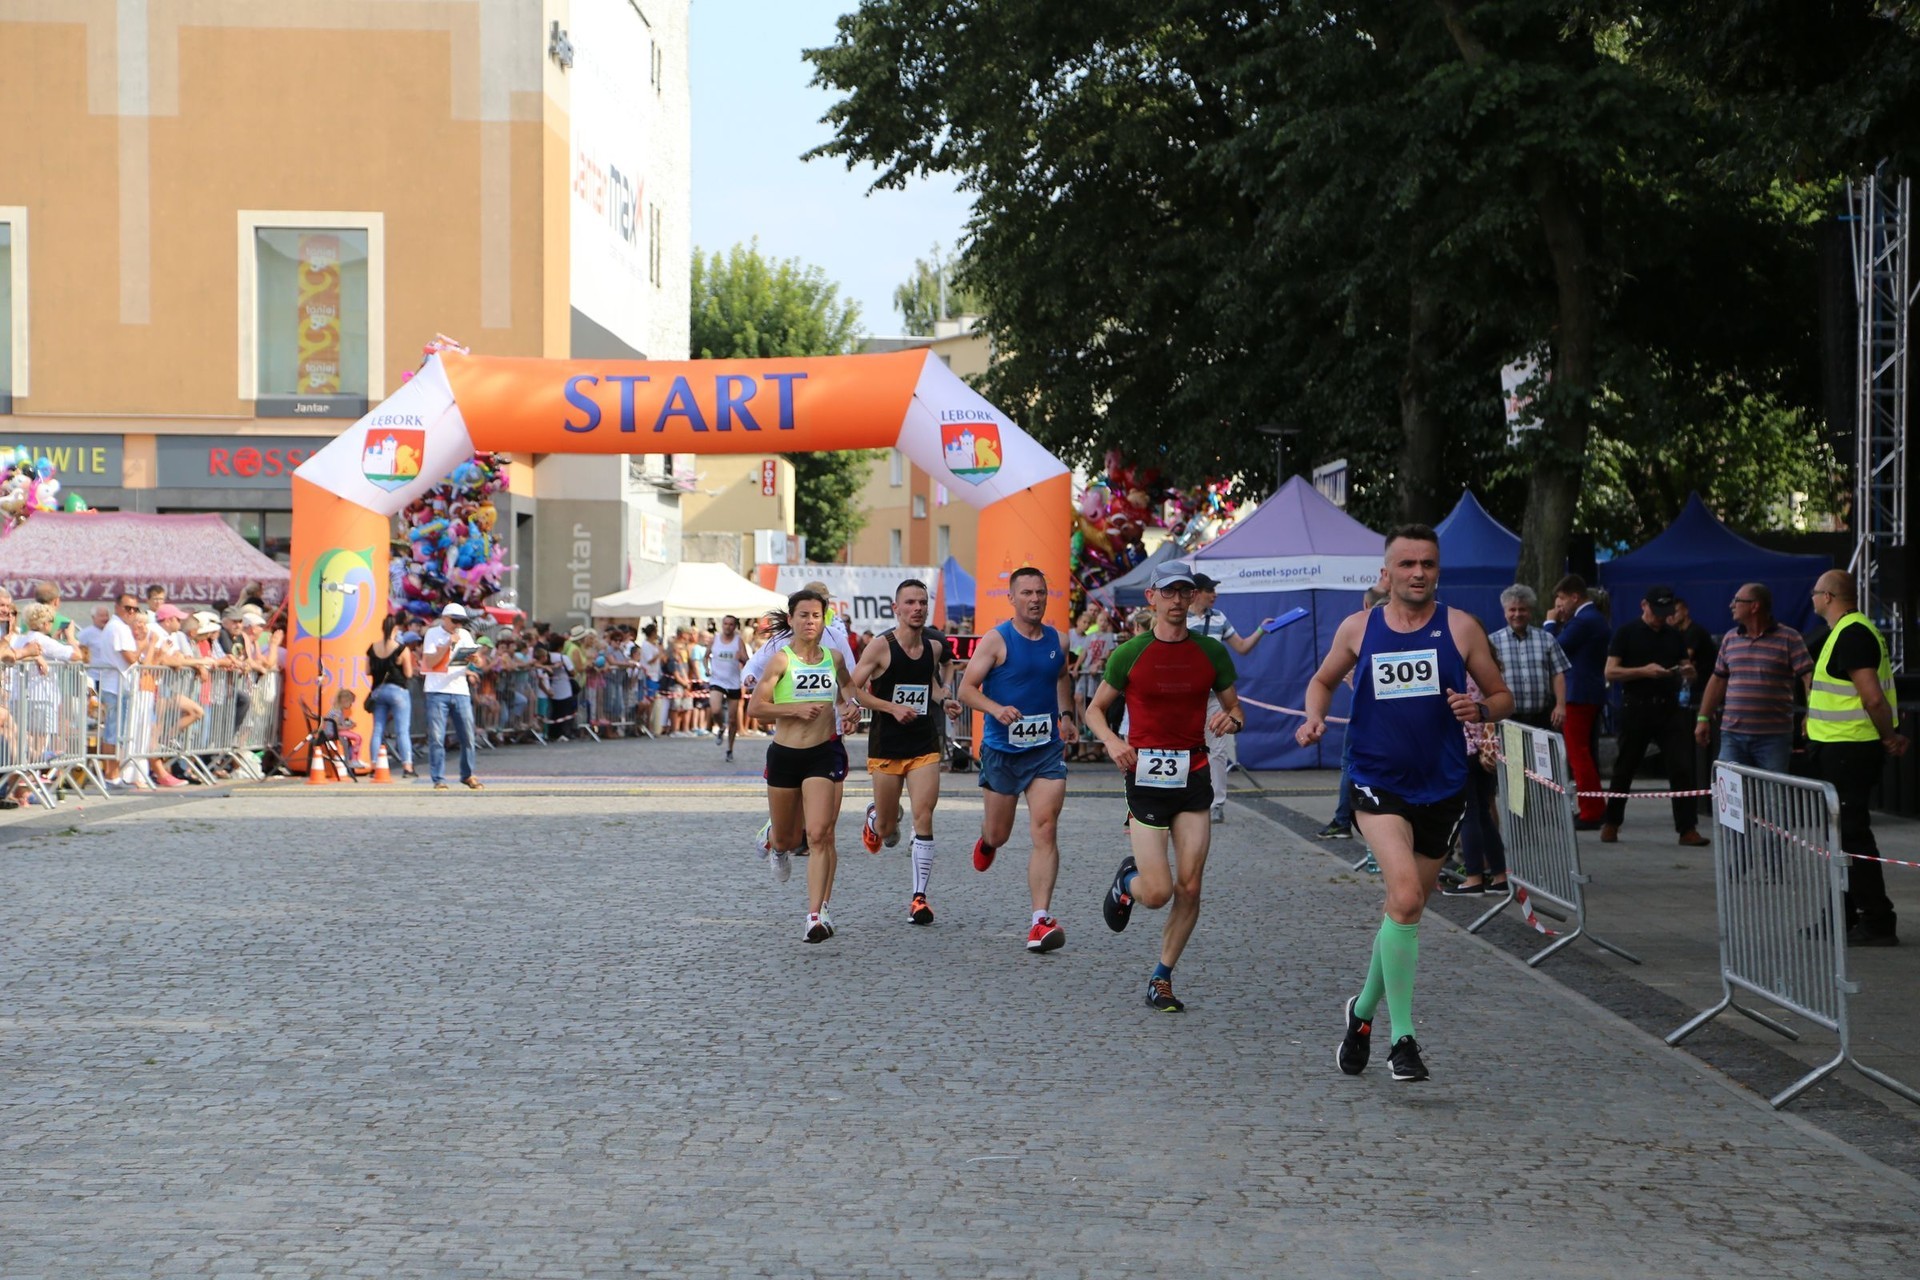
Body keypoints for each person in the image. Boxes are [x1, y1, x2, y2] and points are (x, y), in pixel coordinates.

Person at [1296, 524, 1512, 1083]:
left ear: (1438, 571)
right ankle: (1403, 1040)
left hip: (1442, 785)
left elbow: (1502, 696)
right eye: (1408, 564)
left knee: (1405, 909)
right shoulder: (1359, 627)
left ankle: (1361, 1014)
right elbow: (1321, 681)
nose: (1419, 573)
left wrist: (1480, 710)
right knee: (1409, 895)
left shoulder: (1461, 627)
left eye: (1428, 564)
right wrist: (1314, 717)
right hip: (1377, 781)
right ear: (1386, 573)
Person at [1089, 561, 1244, 1012]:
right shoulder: (1130, 653)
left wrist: (1231, 720)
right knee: (1157, 893)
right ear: (1152, 598)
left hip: (1194, 774)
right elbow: (1094, 710)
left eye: (1184, 592)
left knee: (1190, 887)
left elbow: (1236, 710)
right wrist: (1112, 741)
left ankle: (1162, 977)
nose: (1177, 600)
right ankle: (1127, 880)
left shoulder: (1211, 652)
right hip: (1145, 778)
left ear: (1193, 598)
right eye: (1169, 592)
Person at [958, 566, 1080, 953]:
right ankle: (987, 841)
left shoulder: (1058, 641)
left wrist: (1066, 716)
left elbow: (1061, 677)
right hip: (1003, 753)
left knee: (1045, 828)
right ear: (1011, 598)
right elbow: (966, 689)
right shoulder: (996, 640)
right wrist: (996, 709)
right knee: (1000, 834)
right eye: (1026, 592)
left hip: (1045, 751)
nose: (1035, 599)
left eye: (1040, 592)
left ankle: (1039, 921)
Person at [746, 589, 860, 942]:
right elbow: (755, 708)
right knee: (788, 836)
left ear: (824, 620)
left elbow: (849, 689)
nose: (810, 621)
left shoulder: (834, 658)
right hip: (785, 755)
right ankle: (775, 842)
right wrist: (793, 709)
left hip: (822, 754)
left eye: (816, 616)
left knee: (820, 834)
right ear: (791, 619)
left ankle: (815, 915)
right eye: (804, 615)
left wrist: (851, 707)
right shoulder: (781, 661)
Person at [1806, 571, 1906, 946]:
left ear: (1829, 596)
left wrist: (1889, 737)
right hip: (1841, 747)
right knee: (1841, 837)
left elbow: (1872, 697)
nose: (1812, 598)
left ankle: (1877, 919)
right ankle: (1843, 916)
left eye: (1815, 592)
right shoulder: (1846, 632)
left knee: (1851, 836)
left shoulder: (1853, 633)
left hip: (1849, 749)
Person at [851, 578, 959, 925]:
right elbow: (853, 689)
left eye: (922, 603)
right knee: (887, 829)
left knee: (923, 815)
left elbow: (930, 682)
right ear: (895, 609)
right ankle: (875, 817)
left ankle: (919, 899)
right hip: (887, 744)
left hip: (923, 744)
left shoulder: (934, 646)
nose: (917, 608)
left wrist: (945, 699)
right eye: (910, 603)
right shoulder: (880, 647)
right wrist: (891, 707)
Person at [1601, 585, 1706, 846]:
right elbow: (1611, 672)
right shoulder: (1627, 633)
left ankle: (1687, 828)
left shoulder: (1674, 635)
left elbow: (1685, 664)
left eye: (1665, 613)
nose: (1661, 618)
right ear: (1644, 605)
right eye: (1657, 612)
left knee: (1681, 767)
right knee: (1625, 766)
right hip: (1637, 706)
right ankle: (1612, 821)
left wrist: (1688, 671)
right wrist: (1644, 671)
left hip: (1669, 708)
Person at [1692, 584, 1812, 776]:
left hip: (1773, 738)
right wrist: (1703, 717)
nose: (1731, 605)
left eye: (1737, 601)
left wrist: (1811, 713)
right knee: (1730, 792)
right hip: (1732, 735)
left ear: (1754, 606)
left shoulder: (1789, 638)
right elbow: (1718, 680)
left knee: (1773, 793)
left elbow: (1809, 677)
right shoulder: (1730, 638)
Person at [1186, 573, 1272, 823]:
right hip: (1185, 696)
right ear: (1196, 593)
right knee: (1184, 747)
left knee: (1217, 750)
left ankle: (1216, 804)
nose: (1215, 594)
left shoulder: (1219, 618)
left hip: (1214, 695)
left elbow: (1242, 647)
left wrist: (1261, 630)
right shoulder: (1181, 618)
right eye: (1210, 590)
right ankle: (1185, 798)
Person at [1317, 575, 1389, 841]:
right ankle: (1348, 819)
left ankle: (1344, 820)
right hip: (1374, 716)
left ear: (1365, 605)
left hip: (1370, 717)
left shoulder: (1363, 632)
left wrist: (1354, 684)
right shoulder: (1362, 632)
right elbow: (1323, 682)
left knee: (1351, 763)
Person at [1547, 574, 1611, 830]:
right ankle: (1592, 806)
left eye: (1562, 599)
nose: (1559, 605)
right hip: (1588, 692)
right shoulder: (1593, 618)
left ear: (1575, 597)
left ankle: (1591, 811)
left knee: (1578, 754)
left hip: (1578, 694)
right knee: (1583, 753)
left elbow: (1552, 648)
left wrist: (1550, 623)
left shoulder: (1583, 621)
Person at [422, 601, 483, 791]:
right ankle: (438, 778)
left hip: (460, 690)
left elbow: (479, 662)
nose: (458, 625)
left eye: (461, 621)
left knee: (468, 735)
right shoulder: (433, 633)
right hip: (436, 690)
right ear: (445, 618)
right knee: (437, 738)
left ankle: (467, 774)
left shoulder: (464, 634)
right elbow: (430, 662)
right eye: (454, 621)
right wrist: (448, 644)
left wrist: (475, 659)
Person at [1490, 584, 1567, 731]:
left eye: (1522, 609)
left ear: (1530, 611)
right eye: (1512, 609)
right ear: (1505, 612)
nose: (1517, 614)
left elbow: (1558, 674)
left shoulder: (1547, 639)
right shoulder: (1492, 642)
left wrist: (1561, 705)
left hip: (1541, 718)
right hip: (1507, 720)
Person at [366, 613, 417, 778]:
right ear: (396, 629)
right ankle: (407, 767)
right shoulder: (402, 649)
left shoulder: (372, 648)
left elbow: (367, 671)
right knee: (402, 730)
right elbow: (408, 673)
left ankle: (375, 766)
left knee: (378, 729)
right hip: (397, 690)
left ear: (382, 629)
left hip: (378, 691)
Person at [707, 615, 749, 762]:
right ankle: (720, 727)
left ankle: (730, 749)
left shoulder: (738, 641)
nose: (728, 627)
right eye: (725, 624)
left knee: (732, 719)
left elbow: (747, 660)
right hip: (717, 680)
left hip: (733, 683)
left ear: (735, 626)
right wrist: (707, 668)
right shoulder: (715, 639)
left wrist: (741, 657)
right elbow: (706, 656)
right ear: (722, 625)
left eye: (731, 624)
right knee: (715, 710)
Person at [323, 688, 366, 771]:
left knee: (348, 741)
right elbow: (336, 727)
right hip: (332, 733)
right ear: (345, 701)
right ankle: (354, 760)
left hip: (332, 731)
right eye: (350, 703)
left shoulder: (336, 710)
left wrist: (346, 724)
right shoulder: (337, 712)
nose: (351, 705)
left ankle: (351, 759)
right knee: (358, 738)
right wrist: (348, 727)